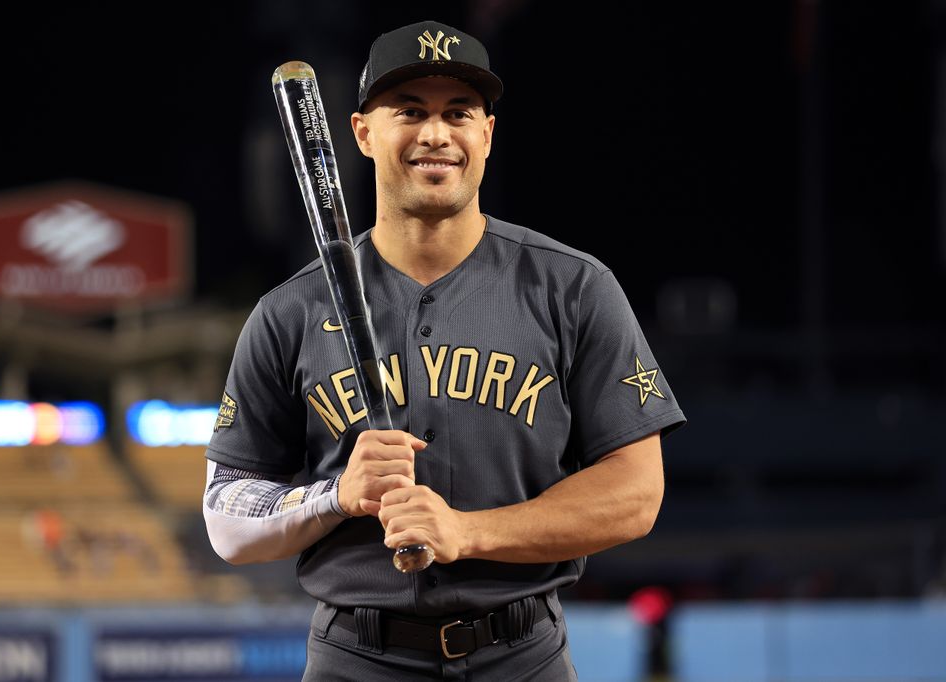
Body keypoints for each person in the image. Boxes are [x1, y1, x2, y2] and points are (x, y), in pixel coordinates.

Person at [203, 19, 687, 681]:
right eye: (410, 111)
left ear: (486, 135)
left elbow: (637, 495)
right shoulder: (289, 312)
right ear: (362, 132)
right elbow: (225, 516)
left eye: (458, 113)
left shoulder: (573, 288)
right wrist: (337, 496)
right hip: (355, 658)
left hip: (522, 654)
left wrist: (468, 531)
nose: (436, 133)